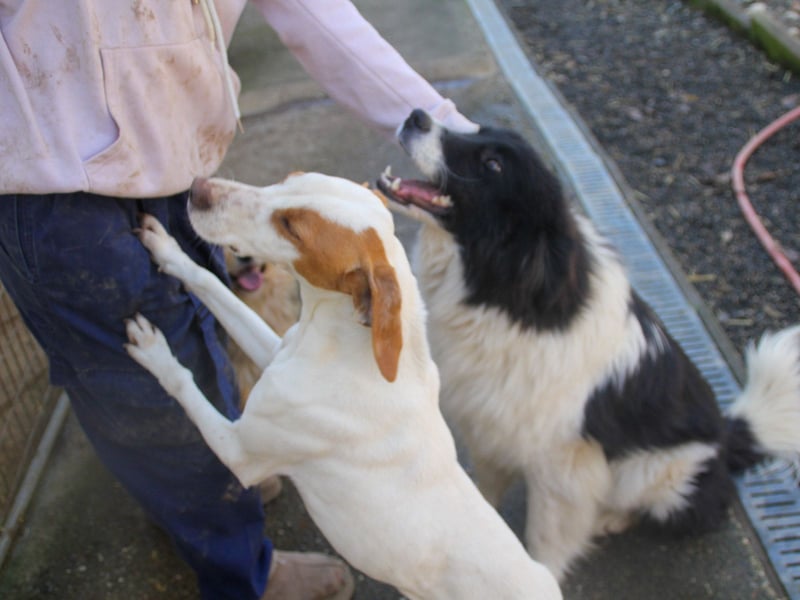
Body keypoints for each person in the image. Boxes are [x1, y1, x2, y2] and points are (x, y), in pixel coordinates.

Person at [0, 1, 477, 599]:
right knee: (138, 395)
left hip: (173, 166)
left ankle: (199, 499)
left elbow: (314, 13)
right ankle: (244, 574)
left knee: (196, 339)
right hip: (49, 183)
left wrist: (449, 133)